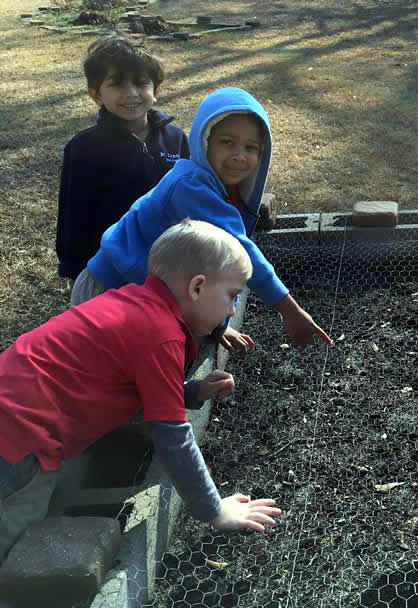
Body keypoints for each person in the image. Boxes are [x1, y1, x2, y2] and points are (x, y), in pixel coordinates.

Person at [0, 220, 282, 563]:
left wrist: (191, 392)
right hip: (22, 436)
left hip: (13, 404)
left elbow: (131, 384)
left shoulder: (138, 304)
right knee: (17, 530)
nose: (232, 310)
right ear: (197, 288)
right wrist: (214, 510)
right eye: (232, 296)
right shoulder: (162, 335)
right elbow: (174, 437)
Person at [70, 86, 332, 353]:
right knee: (117, 382)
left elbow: (207, 266)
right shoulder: (191, 187)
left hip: (141, 292)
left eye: (251, 147)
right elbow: (238, 250)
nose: (239, 155)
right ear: (203, 141)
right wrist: (290, 310)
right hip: (112, 292)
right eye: (227, 142)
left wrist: (216, 324)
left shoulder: (218, 186)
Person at [56, 34, 189, 281]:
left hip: (169, 262)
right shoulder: (83, 148)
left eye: (141, 83)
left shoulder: (175, 137)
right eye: (117, 84)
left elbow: (192, 193)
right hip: (111, 267)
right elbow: (74, 214)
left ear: (156, 89)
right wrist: (75, 269)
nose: (131, 93)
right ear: (96, 95)